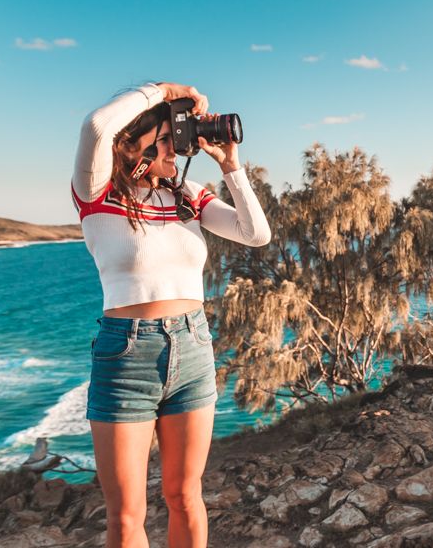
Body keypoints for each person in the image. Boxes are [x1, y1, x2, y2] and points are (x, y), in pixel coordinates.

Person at [72, 82, 271, 547]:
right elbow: (97, 125)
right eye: (166, 137)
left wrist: (231, 166)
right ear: (131, 145)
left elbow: (255, 233)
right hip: (126, 355)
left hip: (193, 348)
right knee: (127, 517)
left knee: (185, 496)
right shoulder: (96, 191)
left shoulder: (186, 196)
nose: (177, 147)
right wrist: (163, 91)